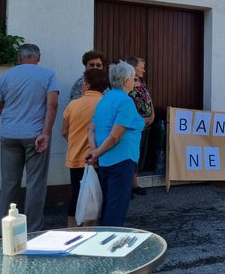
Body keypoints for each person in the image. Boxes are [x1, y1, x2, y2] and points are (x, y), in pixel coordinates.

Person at [0, 43, 59, 233]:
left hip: (8, 134)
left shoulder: (6, 76)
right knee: (35, 184)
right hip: (35, 135)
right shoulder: (49, 75)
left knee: (9, 183)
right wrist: (46, 133)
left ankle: (5, 231)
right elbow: (52, 105)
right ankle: (32, 230)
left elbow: (0, 108)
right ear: (38, 58)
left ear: (19, 57)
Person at [86, 61, 145, 226]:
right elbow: (115, 136)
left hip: (106, 161)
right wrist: (96, 153)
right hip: (122, 159)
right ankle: (110, 245)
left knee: (108, 204)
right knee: (116, 207)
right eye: (133, 78)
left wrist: (95, 151)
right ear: (126, 81)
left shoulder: (105, 99)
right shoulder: (126, 102)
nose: (135, 81)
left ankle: (103, 240)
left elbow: (91, 129)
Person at [61, 69, 108, 227]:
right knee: (94, 197)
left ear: (87, 85)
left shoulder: (73, 105)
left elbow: (64, 131)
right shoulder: (105, 104)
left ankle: (71, 232)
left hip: (75, 157)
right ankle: (90, 233)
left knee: (76, 196)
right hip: (98, 158)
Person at [126, 57, 155, 197]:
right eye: (141, 67)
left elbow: (148, 99)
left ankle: (134, 184)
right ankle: (127, 187)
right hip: (134, 127)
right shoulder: (127, 83)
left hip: (145, 126)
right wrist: (140, 119)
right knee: (131, 155)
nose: (144, 69)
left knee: (139, 155)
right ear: (133, 68)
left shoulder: (141, 83)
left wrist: (153, 114)